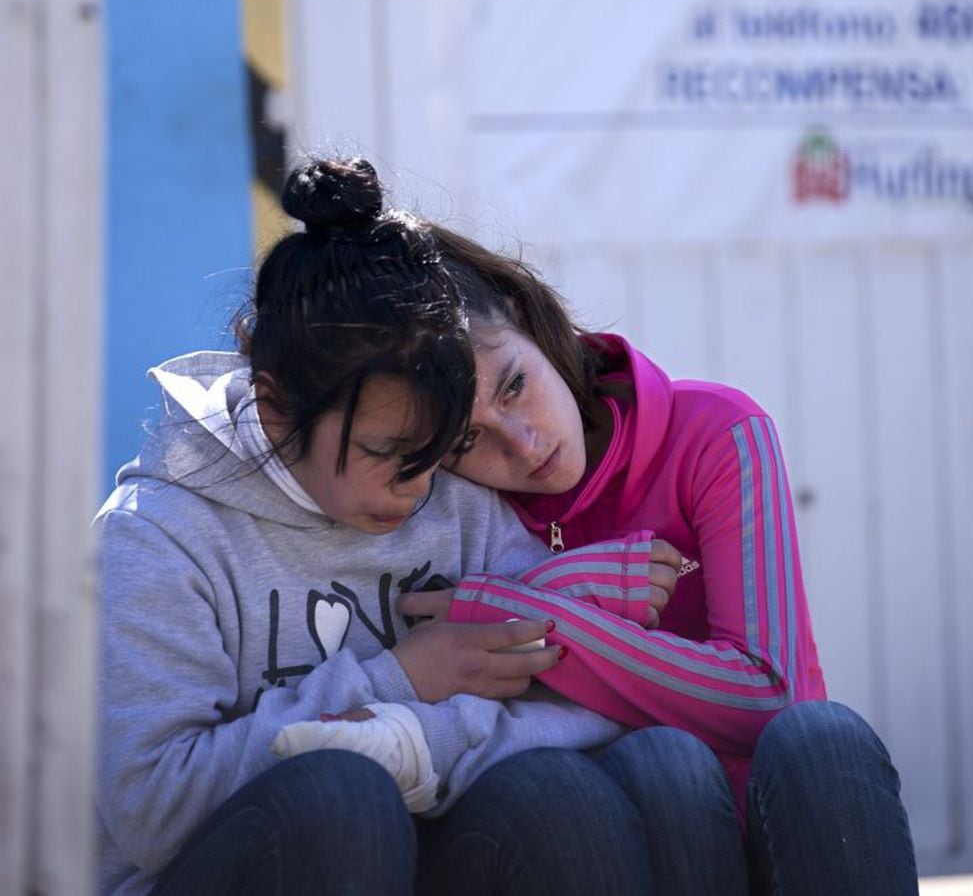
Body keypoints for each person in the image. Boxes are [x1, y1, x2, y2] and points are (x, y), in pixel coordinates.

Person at [95, 157, 685, 896]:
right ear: (276, 408)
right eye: (388, 453)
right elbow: (154, 810)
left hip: (416, 858)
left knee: (559, 794)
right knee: (342, 798)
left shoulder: (456, 502)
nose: (420, 486)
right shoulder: (158, 537)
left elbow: (580, 698)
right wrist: (402, 678)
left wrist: (420, 742)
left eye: (441, 450)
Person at [371, 223, 920, 896]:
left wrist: (523, 612)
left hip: (785, 820)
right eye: (466, 440)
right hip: (620, 835)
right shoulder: (462, 510)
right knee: (665, 761)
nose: (520, 443)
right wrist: (579, 586)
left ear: (526, 318)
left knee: (823, 735)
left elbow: (767, 691)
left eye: (514, 386)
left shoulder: (715, 431)